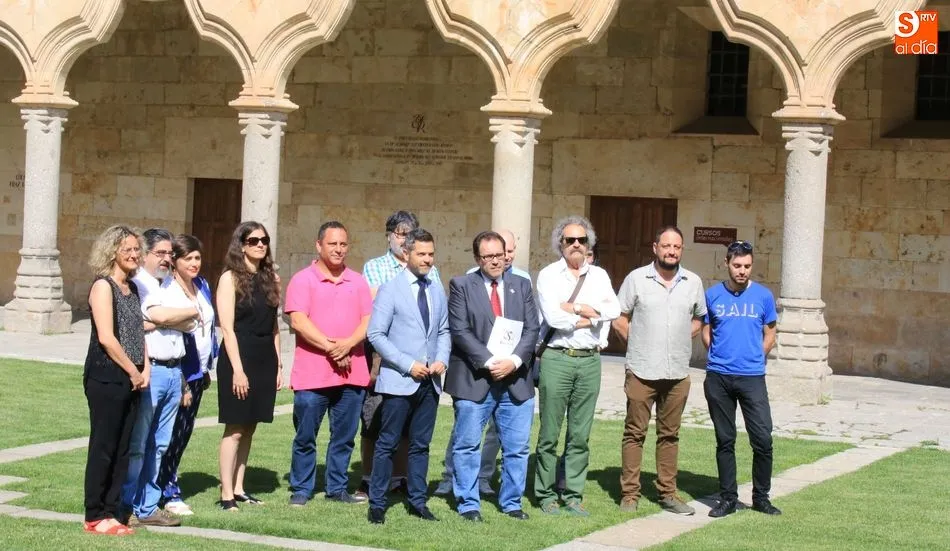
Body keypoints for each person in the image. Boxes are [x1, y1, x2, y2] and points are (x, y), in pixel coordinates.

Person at [611, 226, 706, 515]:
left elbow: (700, 319)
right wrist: (639, 343)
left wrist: (675, 340)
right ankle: (630, 494)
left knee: (670, 435)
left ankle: (668, 493)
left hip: (677, 372)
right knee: (634, 433)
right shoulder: (637, 279)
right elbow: (619, 317)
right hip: (641, 370)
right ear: (655, 247)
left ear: (681, 250)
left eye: (676, 247)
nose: (671, 251)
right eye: (666, 246)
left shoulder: (693, 282)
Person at [446, 231, 540, 522]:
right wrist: (489, 362)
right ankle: (468, 503)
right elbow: (460, 331)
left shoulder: (521, 285)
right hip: (475, 379)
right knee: (468, 445)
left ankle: (512, 502)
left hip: (515, 380)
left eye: (499, 255)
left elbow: (532, 329)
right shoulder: (462, 285)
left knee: (517, 447)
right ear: (478, 259)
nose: (495, 261)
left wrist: (512, 361)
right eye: (488, 257)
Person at [534, 216, 620, 517]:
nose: (575, 245)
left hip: (589, 361)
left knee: (580, 435)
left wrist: (579, 309)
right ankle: (544, 494)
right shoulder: (548, 275)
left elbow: (614, 309)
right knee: (549, 433)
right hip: (557, 359)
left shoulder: (598, 276)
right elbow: (554, 319)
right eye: (569, 240)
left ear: (588, 244)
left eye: (581, 240)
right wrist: (594, 315)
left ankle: (572, 495)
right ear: (561, 243)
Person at [285, 221, 372, 507]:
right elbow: (298, 320)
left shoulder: (358, 281)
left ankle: (337, 488)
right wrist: (334, 347)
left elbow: (368, 321)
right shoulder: (302, 280)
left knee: (344, 437)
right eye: (332, 244)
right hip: (312, 375)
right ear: (319, 245)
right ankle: (301, 488)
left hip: (352, 373)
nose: (338, 249)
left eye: (343, 244)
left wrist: (347, 345)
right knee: (306, 435)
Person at [366, 228, 450, 524]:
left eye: (431, 254)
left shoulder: (437, 288)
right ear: (407, 254)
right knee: (387, 443)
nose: (427, 260)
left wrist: (441, 359)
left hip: (430, 382)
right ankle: (377, 503)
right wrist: (407, 364)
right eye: (422, 254)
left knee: (421, 445)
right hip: (400, 380)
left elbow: (443, 331)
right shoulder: (391, 289)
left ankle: (417, 500)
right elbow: (375, 334)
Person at [702, 240, 782, 518]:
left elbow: (770, 333)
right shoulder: (712, 295)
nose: (742, 271)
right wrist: (717, 355)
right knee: (725, 440)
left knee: (763, 439)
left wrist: (755, 356)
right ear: (726, 264)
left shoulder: (763, 296)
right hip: (719, 378)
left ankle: (761, 497)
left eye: (747, 266)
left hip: (752, 378)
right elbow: (707, 330)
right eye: (737, 266)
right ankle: (727, 499)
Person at [124, 228, 194, 528]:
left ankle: (148, 505)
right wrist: (173, 316)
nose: (166, 259)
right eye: (160, 253)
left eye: (169, 254)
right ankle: (127, 504)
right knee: (139, 443)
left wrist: (168, 318)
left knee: (161, 443)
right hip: (149, 370)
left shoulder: (170, 285)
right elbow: (150, 322)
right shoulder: (137, 283)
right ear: (146, 253)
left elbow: (190, 326)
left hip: (173, 369)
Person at [82, 225, 148, 536]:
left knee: (123, 447)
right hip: (107, 375)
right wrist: (132, 370)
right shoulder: (103, 287)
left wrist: (144, 367)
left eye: (137, 249)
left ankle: (112, 511)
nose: (135, 255)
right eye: (128, 249)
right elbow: (108, 338)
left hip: (132, 376)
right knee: (104, 446)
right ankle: (95, 514)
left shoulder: (132, 288)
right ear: (112, 253)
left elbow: (138, 333)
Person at [216, 221, 283, 511]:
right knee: (234, 427)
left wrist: (279, 365)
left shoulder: (271, 279)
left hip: (264, 356)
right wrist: (238, 370)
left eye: (264, 240)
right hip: (237, 356)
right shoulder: (229, 279)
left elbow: (275, 326)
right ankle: (226, 493)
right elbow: (227, 329)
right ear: (241, 244)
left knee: (250, 426)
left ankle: (240, 487)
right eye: (254, 240)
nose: (260, 244)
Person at [157, 234, 219, 516]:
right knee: (170, 433)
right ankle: (167, 490)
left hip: (199, 371)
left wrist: (207, 367)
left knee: (183, 433)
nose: (195, 263)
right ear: (175, 261)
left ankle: (165, 483)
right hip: (179, 371)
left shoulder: (202, 285)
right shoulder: (167, 290)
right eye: (188, 258)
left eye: (197, 258)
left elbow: (207, 326)